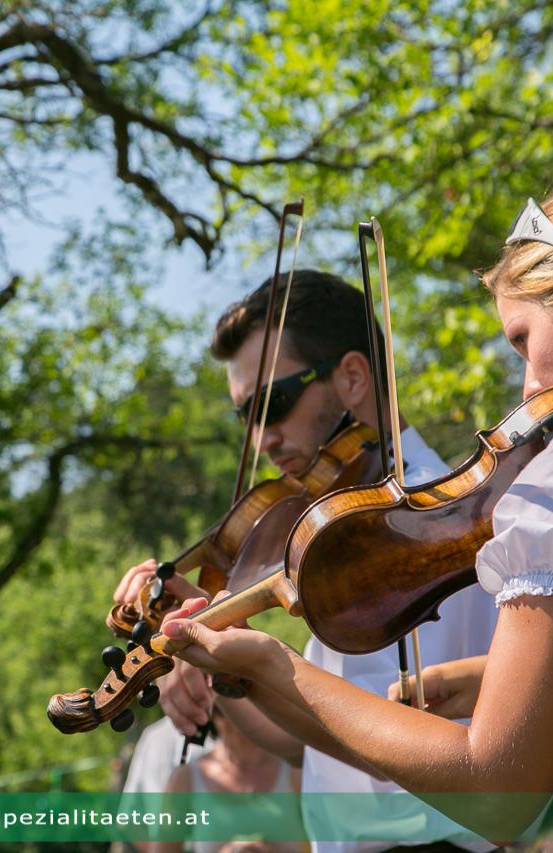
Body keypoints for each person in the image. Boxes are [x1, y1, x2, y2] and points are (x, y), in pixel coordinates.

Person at [159, 175, 553, 848]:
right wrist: (491, 676)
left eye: (521, 338)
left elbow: (497, 792)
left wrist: (278, 666)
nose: (530, 384)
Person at [117, 270, 500, 853]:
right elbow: (319, 746)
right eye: (244, 416)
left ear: (351, 377)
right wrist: (213, 658)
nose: (259, 440)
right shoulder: (335, 526)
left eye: (274, 404)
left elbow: (382, 746)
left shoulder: (432, 522)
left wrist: (262, 663)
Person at [149, 704, 304, 853]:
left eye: (247, 706)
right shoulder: (186, 777)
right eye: (223, 710)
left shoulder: (296, 768)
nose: (237, 720)